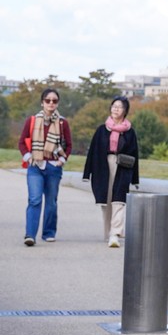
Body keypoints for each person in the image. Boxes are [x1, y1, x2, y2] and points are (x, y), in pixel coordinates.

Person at [82, 96, 139, 248]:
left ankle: (115, 234)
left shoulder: (130, 132)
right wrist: (87, 174)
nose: (115, 109)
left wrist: (135, 178)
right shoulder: (102, 130)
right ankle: (108, 232)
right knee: (106, 201)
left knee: (118, 200)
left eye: (119, 107)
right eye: (114, 106)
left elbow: (135, 155)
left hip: (122, 167)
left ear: (125, 111)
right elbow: (92, 152)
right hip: (103, 166)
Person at [19, 88, 72, 246]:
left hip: (54, 167)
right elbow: (22, 142)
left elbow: (68, 145)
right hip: (35, 166)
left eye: (54, 101)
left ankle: (48, 232)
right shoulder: (33, 120)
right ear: (42, 102)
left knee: (51, 202)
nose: (51, 103)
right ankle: (30, 234)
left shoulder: (62, 123)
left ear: (57, 103)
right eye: (48, 100)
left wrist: (62, 159)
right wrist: (28, 157)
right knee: (35, 200)